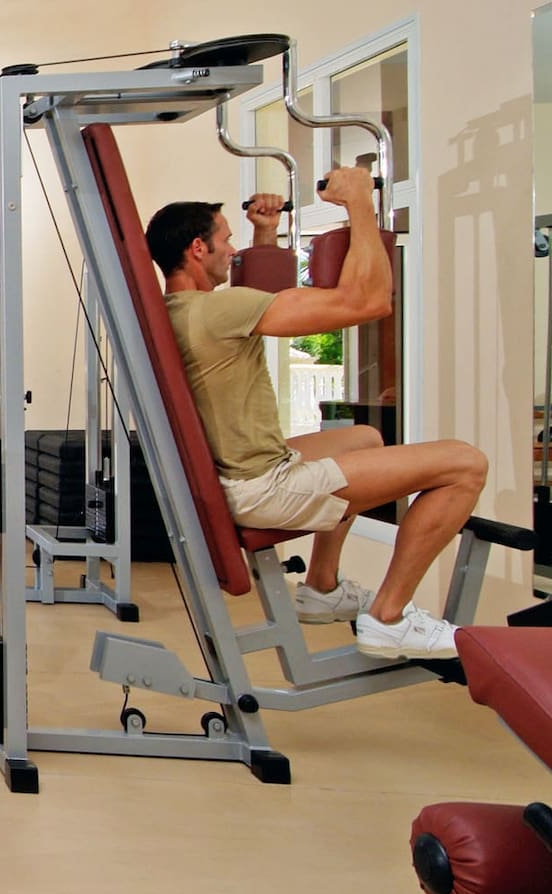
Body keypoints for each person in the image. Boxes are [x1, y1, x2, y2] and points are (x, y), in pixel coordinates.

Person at [146, 166, 487, 659]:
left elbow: (255, 300)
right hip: (263, 488)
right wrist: (359, 206)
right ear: (198, 249)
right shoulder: (216, 312)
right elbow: (367, 301)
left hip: (243, 473)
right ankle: (389, 618)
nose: (234, 249)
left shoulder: (184, 309)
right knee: (465, 464)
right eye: (226, 240)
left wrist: (268, 233)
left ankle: (321, 588)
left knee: (364, 438)